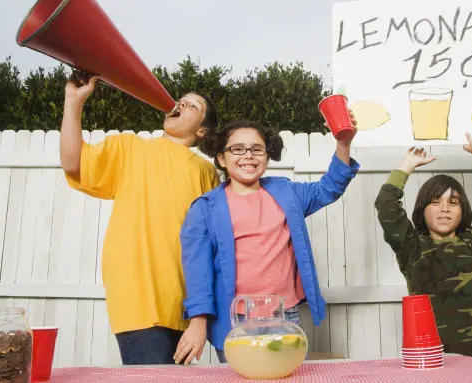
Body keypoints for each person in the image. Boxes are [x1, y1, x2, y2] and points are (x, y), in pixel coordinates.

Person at [60, 71, 221, 365]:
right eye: (181, 101)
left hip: (183, 302)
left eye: (192, 106)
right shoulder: (129, 148)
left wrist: (202, 313)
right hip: (136, 296)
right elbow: (73, 163)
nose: (181, 105)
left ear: (202, 132)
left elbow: (211, 243)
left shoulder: (205, 171)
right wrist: (73, 102)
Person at [174, 117, 360, 365]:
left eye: (257, 149)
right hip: (235, 320)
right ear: (221, 158)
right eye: (237, 149)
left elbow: (329, 188)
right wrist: (198, 322)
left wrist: (343, 144)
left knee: (287, 376)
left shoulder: (288, 194)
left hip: (286, 316)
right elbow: (197, 271)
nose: (248, 155)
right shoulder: (204, 209)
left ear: (267, 156)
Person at [374, 132, 472, 369]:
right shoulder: (412, 249)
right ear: (422, 210)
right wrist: (406, 166)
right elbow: (386, 207)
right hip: (435, 367)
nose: (445, 209)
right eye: (435, 202)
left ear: (463, 210)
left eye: (453, 202)